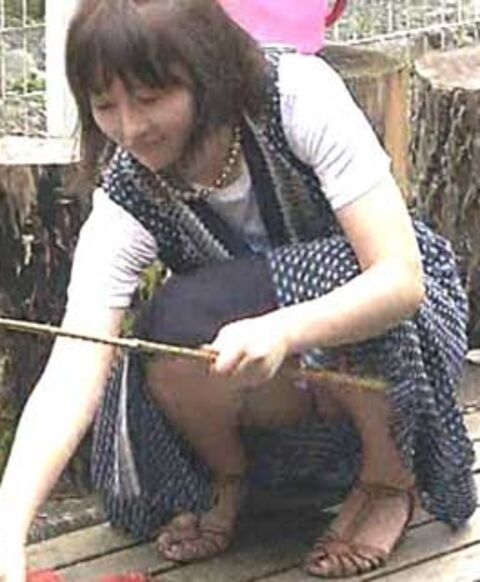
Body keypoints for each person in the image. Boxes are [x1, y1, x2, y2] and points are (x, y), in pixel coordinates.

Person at [0, 0, 476, 579]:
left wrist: (283, 329)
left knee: (343, 271)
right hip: (288, 391)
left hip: (401, 357)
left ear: (207, 72)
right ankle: (232, 479)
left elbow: (400, 279)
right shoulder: (128, 192)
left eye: (149, 99)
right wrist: (8, 530)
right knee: (170, 326)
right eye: (105, 106)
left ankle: (386, 479)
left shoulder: (296, 95)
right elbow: (76, 363)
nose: (129, 128)